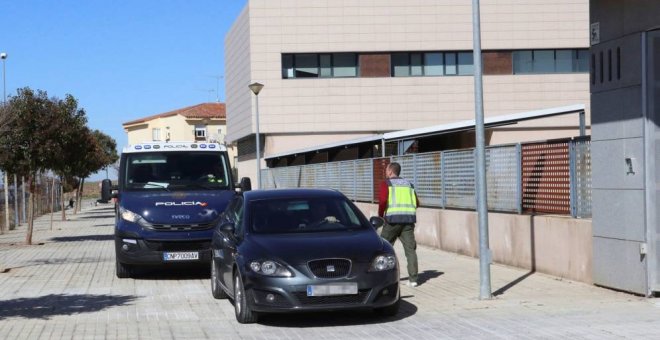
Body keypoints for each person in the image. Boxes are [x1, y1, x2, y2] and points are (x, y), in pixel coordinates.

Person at [378, 162, 420, 287]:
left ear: (391, 171)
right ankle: (413, 280)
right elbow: (416, 203)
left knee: (382, 249)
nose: (385, 172)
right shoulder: (409, 185)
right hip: (408, 221)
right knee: (410, 250)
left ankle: (382, 278)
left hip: (392, 221)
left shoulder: (387, 184)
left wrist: (381, 215)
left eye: (386, 170)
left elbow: (383, 201)